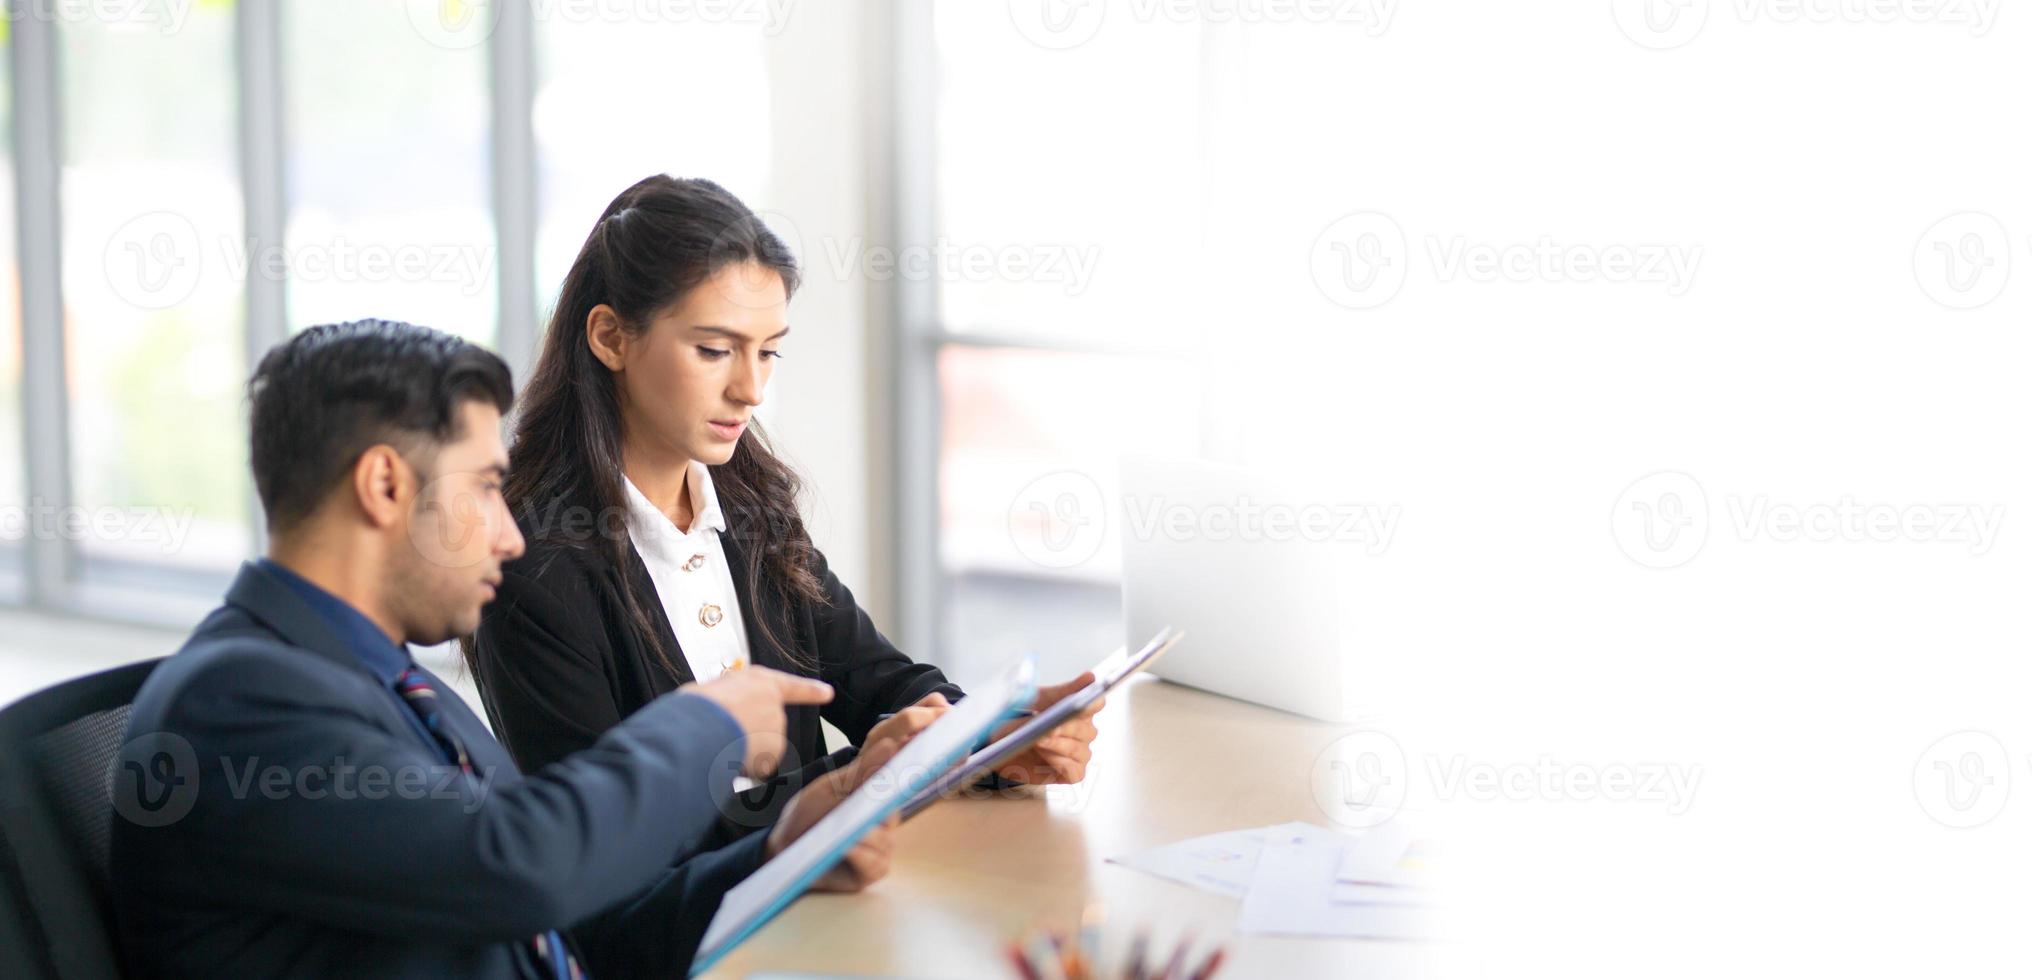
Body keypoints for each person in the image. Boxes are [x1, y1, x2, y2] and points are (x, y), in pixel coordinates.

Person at [111, 320, 936, 978]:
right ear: (385, 486)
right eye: (483, 490)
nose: (511, 537)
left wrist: (781, 851)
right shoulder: (242, 699)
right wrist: (707, 725)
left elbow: (575, 931)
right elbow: (518, 865)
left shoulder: (395, 691)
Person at [467, 176, 1102, 826]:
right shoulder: (531, 566)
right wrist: (858, 779)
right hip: (696, 926)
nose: (751, 389)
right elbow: (607, 843)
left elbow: (872, 678)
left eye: (768, 352)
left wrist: (991, 735)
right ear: (610, 338)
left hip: (818, 895)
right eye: (714, 350)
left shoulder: (748, 502)